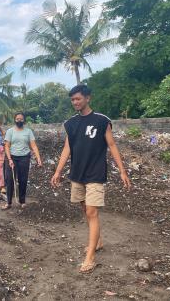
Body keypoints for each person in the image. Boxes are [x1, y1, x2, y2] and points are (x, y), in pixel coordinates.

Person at [50, 84, 131, 274]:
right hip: (78, 173)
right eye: (72, 100)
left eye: (78, 99)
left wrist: (122, 171)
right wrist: (58, 171)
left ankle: (90, 257)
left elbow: (111, 145)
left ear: (88, 98)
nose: (75, 102)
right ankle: (99, 242)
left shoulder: (102, 121)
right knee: (85, 210)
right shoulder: (70, 123)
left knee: (92, 212)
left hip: (95, 173)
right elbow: (67, 148)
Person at [3, 113, 42, 210]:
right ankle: (8, 202)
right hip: (11, 157)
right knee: (9, 180)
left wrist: (38, 158)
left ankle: (22, 201)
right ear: (14, 120)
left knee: (23, 180)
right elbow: (7, 146)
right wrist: (9, 159)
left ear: (24, 120)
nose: (19, 120)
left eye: (21, 119)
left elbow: (33, 146)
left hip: (24, 158)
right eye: (17, 119)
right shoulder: (10, 131)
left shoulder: (28, 131)